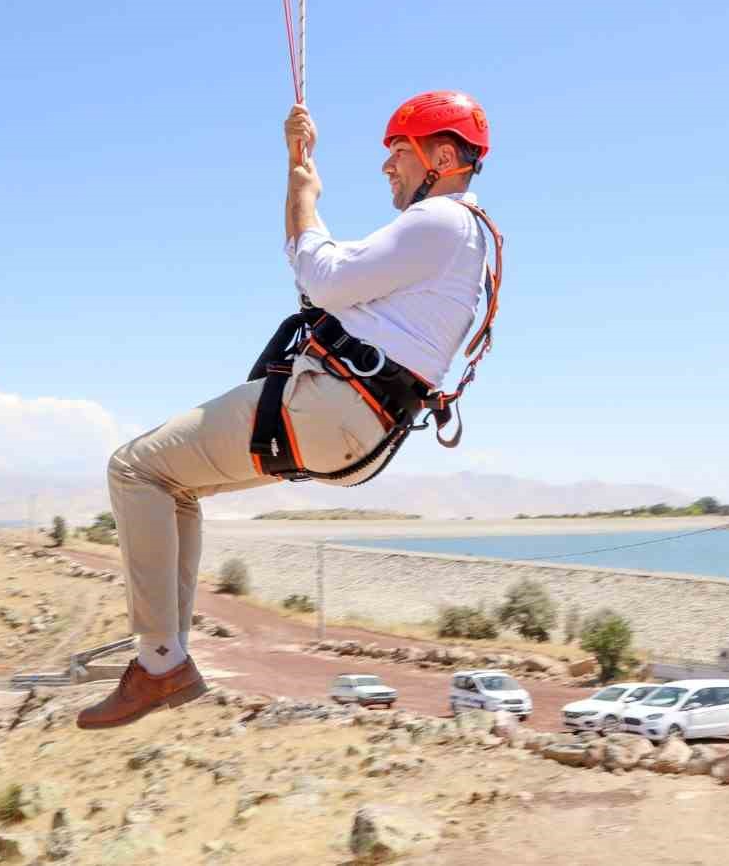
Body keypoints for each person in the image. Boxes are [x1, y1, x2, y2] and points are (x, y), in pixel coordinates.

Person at [77, 91, 496, 730]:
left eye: (398, 153)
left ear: (443, 156)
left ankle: (160, 663)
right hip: (358, 425)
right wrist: (298, 176)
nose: (388, 167)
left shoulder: (440, 223)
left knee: (134, 468)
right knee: (172, 486)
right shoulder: (465, 239)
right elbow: (319, 272)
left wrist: (304, 191)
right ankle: (166, 658)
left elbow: (321, 277)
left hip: (331, 405)